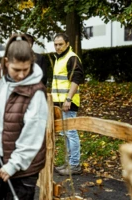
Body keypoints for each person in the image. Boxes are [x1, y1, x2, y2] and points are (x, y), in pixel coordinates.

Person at [0, 34, 48, 200]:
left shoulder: (36, 92)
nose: (21, 75)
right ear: (6, 63)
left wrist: (14, 164)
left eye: (26, 70)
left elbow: (33, 135)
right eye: (16, 70)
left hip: (22, 162)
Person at [51, 33, 84, 176]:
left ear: (67, 44)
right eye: (56, 44)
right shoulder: (60, 58)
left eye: (60, 44)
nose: (58, 47)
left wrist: (68, 99)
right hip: (59, 102)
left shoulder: (72, 58)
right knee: (65, 133)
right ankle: (69, 162)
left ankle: (75, 165)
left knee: (70, 132)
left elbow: (76, 79)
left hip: (68, 103)